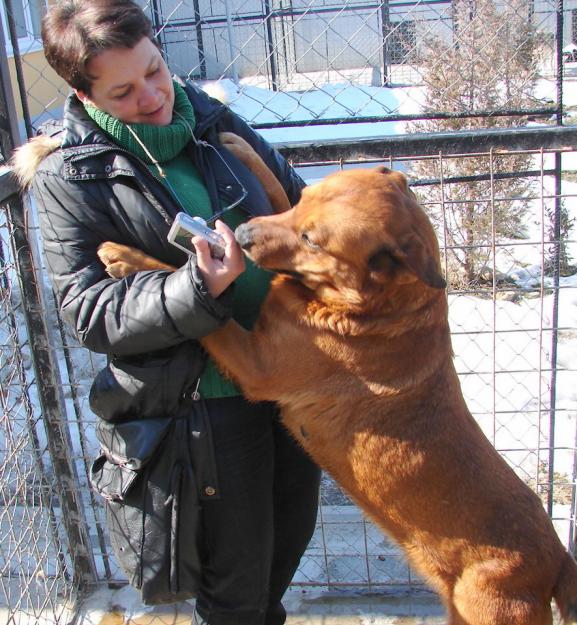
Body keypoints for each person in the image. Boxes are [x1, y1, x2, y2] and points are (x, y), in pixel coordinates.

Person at [13, 1, 320, 624]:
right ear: (82, 93)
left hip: (289, 379)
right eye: (123, 91)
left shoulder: (212, 120)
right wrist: (196, 288)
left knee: (284, 550)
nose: (153, 96)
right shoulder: (70, 177)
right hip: (207, 406)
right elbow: (89, 311)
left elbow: (298, 200)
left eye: (155, 70)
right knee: (236, 588)